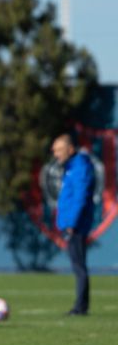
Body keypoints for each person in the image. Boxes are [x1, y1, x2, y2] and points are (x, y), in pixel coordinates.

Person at [51, 133, 95, 316]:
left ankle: (80, 307)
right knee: (78, 265)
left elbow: (80, 198)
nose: (56, 155)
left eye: (59, 150)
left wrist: (71, 223)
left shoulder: (80, 166)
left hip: (76, 225)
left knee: (79, 266)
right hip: (71, 223)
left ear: (70, 149)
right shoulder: (71, 166)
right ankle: (80, 306)